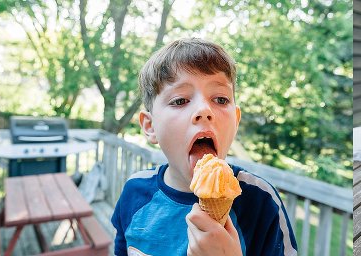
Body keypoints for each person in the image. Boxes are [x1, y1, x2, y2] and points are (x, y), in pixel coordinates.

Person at [111, 38, 297, 255]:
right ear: (150, 126)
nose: (204, 109)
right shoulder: (135, 192)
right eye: (180, 100)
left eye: (220, 99)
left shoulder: (261, 201)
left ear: (235, 121)